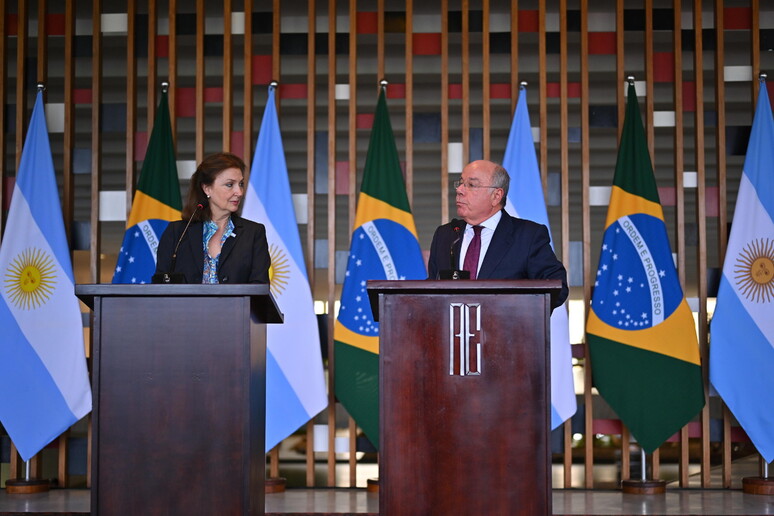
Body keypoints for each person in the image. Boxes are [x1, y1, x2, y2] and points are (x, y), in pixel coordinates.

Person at [427, 159, 568, 309]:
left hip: (506, 329)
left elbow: (557, 288)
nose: (460, 190)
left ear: (496, 196)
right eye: (461, 183)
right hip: (451, 331)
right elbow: (431, 289)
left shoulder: (528, 236)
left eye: (471, 185)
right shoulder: (445, 235)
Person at [155, 152, 271, 284]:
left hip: (238, 306)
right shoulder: (177, 233)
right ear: (207, 188)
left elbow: (259, 288)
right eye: (229, 185)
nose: (239, 192)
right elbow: (161, 286)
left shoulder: (253, 233)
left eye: (241, 184)